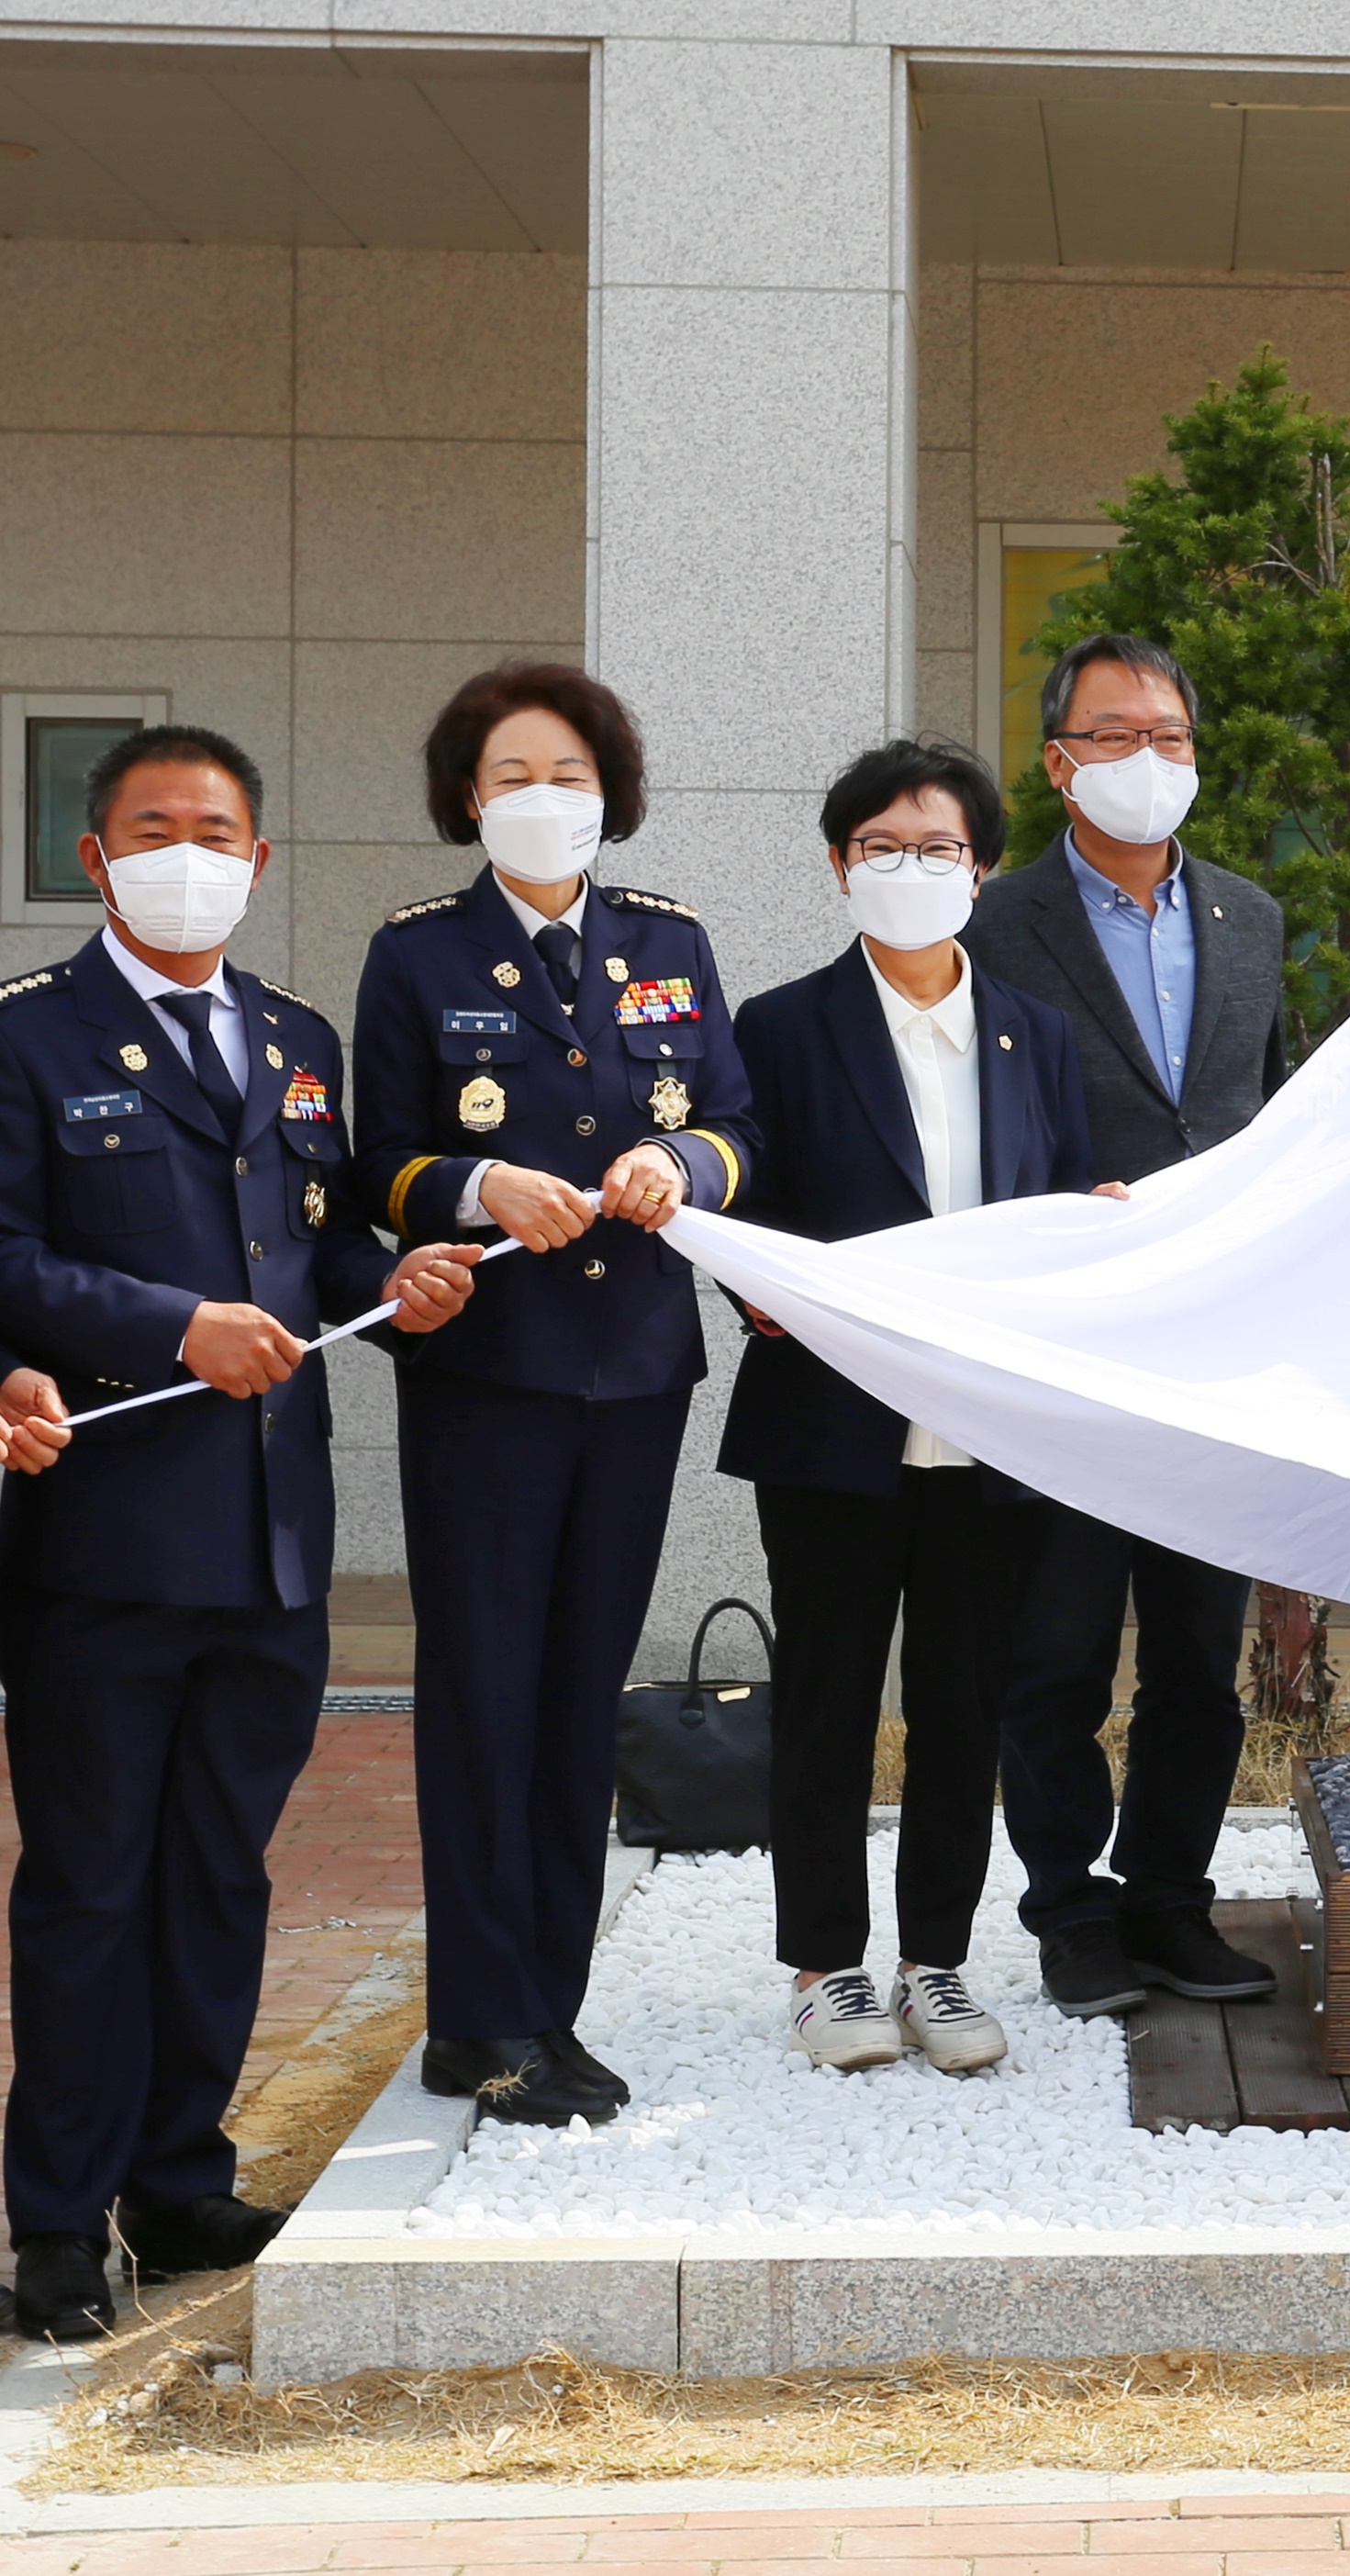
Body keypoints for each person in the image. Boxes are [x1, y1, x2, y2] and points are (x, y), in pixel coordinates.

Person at [0, 725, 477, 2339]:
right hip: (105, 1548)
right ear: (97, 856)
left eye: (215, 832)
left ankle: (178, 2175)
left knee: (220, 1872)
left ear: (259, 861)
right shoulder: (28, 1037)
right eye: (154, 829)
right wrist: (169, 1325)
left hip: (274, 1546)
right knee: (88, 1887)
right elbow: (6, 1256)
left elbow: (316, 1247)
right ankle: (57, 2222)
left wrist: (397, 1285)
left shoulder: (293, 1038)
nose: (187, 856)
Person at [351, 663, 759, 2129]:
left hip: (635, 1368)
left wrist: (678, 1163)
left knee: (582, 1692)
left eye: (568, 773)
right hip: (489, 1374)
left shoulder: (670, 940)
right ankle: (480, 2018)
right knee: (484, 1694)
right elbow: (376, 1160)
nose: (544, 796)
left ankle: (549, 2003)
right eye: (513, 773)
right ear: (469, 794)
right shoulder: (418, 955)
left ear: (611, 792)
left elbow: (735, 1122)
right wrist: (477, 1186)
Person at [719, 741, 1105, 2075]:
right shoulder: (780, 1027)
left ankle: (936, 1956)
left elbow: (1060, 1199)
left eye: (938, 848)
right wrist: (763, 1298)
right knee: (826, 1699)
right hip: (829, 1426)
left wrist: (1097, 1228)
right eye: (880, 847)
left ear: (981, 869)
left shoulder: (1034, 1035)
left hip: (984, 1433)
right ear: (839, 865)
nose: (910, 868)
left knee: (963, 1704)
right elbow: (742, 1199)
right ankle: (827, 1964)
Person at [964, 633, 1289, 2019]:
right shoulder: (993, 926)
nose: (1146, 759)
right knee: (1056, 1653)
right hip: (1062, 1349)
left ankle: (1170, 1899)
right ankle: (1068, 1910)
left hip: (1209, 1353)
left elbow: (1266, 1116)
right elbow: (965, 1130)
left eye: (1169, 736)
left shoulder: (1250, 919)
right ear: (1059, 763)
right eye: (1114, 735)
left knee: (1199, 1659)